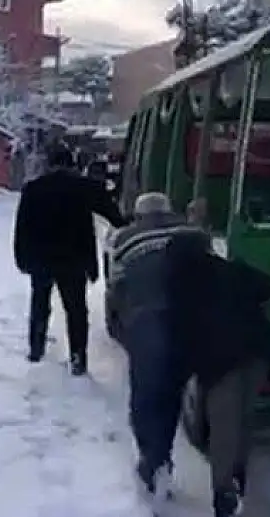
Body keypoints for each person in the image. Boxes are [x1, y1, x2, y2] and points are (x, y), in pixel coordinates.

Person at [166, 232, 270, 517]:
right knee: (244, 417)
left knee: (224, 426)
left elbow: (180, 331)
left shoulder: (179, 284)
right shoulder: (231, 270)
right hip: (256, 349)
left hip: (218, 360)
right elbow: (267, 286)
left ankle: (224, 493)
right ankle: (238, 477)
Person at [13, 144, 126, 375]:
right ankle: (78, 357)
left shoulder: (33, 189)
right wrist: (127, 223)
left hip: (41, 257)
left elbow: (22, 227)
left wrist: (22, 258)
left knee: (40, 304)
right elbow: (111, 213)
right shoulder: (83, 187)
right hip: (74, 258)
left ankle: (36, 349)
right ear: (71, 162)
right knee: (75, 309)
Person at [109, 192, 193, 503]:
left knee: (145, 394)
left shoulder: (126, 237)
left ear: (138, 213)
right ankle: (164, 456)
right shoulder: (189, 231)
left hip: (145, 320)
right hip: (183, 320)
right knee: (170, 393)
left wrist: (123, 325)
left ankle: (152, 460)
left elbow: (118, 284)